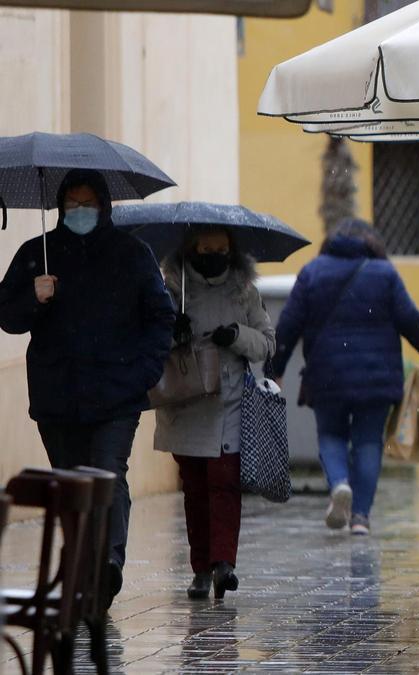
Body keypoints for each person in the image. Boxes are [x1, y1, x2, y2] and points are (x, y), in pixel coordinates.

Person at [0, 168, 175, 607]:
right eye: (71, 204)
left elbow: (161, 317)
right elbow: (8, 317)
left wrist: (144, 372)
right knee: (72, 484)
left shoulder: (133, 254)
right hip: (57, 395)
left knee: (108, 475)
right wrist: (32, 299)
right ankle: (83, 565)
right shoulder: (36, 253)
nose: (79, 212)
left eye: (87, 203)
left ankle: (108, 561)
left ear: (104, 206)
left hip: (118, 393)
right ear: (60, 207)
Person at [268, 218, 419, 536]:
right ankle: (360, 516)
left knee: (331, 435)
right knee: (368, 442)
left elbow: (288, 324)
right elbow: (408, 317)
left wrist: (276, 367)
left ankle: (340, 484)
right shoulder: (385, 273)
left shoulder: (312, 272)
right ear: (371, 243)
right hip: (377, 377)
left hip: (327, 375)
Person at [155, 227, 276, 599]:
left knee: (223, 482)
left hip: (230, 401)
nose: (213, 255)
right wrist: (174, 331)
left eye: (220, 249)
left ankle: (224, 564)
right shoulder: (173, 290)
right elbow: (150, 337)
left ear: (231, 251)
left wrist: (237, 335)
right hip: (187, 399)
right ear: (192, 249)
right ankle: (201, 570)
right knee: (194, 489)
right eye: (206, 248)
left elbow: (267, 344)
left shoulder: (244, 292)